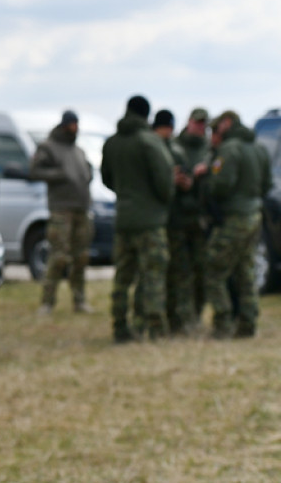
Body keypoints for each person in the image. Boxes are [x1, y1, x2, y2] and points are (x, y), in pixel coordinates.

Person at [101, 95, 174, 343]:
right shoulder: (150, 142)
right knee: (152, 275)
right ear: (147, 115)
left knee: (122, 277)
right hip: (150, 222)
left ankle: (120, 326)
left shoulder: (112, 143)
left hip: (123, 219)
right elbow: (165, 182)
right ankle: (154, 328)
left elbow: (107, 178)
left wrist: (126, 193)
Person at [204, 110, 272, 338]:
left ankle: (222, 325)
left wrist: (209, 179)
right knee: (245, 271)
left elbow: (220, 186)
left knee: (214, 270)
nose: (215, 132)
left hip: (234, 218)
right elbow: (267, 184)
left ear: (227, 123)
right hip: (254, 216)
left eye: (217, 127)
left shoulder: (230, 149)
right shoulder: (259, 148)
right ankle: (248, 324)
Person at [29, 109, 94, 315]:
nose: (76, 128)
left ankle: (79, 300)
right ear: (65, 125)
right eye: (72, 124)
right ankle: (47, 302)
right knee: (58, 257)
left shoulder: (78, 150)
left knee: (81, 257)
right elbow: (35, 171)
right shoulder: (48, 147)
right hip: (60, 210)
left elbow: (87, 172)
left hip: (81, 209)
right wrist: (59, 174)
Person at [164, 108, 211, 334]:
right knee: (179, 272)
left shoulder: (208, 149)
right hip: (178, 218)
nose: (200, 127)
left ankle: (196, 315)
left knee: (201, 271)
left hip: (199, 219)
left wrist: (201, 178)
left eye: (203, 124)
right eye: (197, 123)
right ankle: (178, 320)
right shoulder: (175, 147)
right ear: (189, 122)